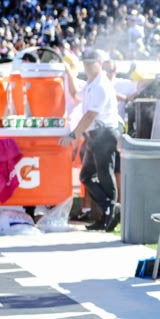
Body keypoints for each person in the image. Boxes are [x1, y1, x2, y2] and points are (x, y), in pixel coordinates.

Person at [60, 48, 121, 231]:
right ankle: (109, 209)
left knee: (104, 174)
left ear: (99, 64)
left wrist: (73, 135)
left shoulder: (101, 84)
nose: (86, 67)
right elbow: (75, 95)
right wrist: (69, 72)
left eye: (90, 63)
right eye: (85, 64)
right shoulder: (92, 83)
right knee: (87, 175)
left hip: (104, 133)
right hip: (95, 135)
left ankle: (109, 212)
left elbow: (89, 115)